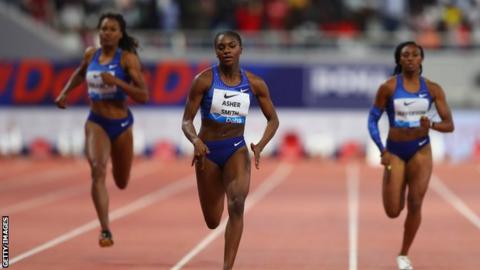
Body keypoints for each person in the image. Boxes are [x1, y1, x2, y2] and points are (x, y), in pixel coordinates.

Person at [181, 30, 279, 269]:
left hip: (236, 148)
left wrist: (260, 146)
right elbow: (186, 121)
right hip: (208, 153)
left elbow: (273, 120)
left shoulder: (254, 84)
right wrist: (196, 141)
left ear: (240, 49)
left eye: (231, 46)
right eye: (221, 47)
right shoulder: (203, 81)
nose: (226, 50)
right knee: (213, 222)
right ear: (216, 51)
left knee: (237, 204)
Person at [55, 12, 149, 247]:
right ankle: (105, 229)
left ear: (120, 34)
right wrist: (66, 92)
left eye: (112, 29)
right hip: (96, 121)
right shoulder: (90, 55)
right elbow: (80, 73)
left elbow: (143, 95)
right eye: (103, 29)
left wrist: (117, 82)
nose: (106, 33)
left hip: (122, 124)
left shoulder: (127, 60)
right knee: (97, 170)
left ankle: (118, 181)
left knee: (121, 181)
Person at [368, 41, 454, 270]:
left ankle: (404, 255)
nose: (410, 58)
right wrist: (382, 150)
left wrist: (432, 124)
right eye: (405, 55)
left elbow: (449, 125)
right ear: (399, 60)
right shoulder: (387, 88)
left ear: (421, 60)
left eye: (415, 55)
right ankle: (394, 181)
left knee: (415, 203)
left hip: (421, 149)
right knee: (393, 211)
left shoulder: (433, 89)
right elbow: (372, 120)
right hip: (395, 151)